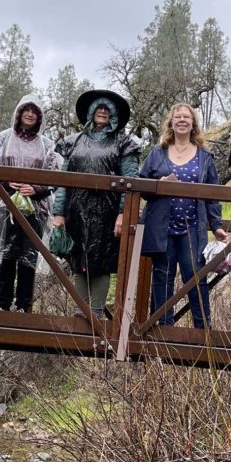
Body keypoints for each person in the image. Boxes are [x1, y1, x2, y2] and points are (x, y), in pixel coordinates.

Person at [51, 89, 141, 318]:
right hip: (76, 210)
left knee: (102, 263)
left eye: (107, 108)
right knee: (78, 259)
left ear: (113, 114)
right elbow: (63, 180)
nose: (102, 111)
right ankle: (80, 315)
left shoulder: (124, 144)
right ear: (91, 112)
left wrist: (123, 213)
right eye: (98, 107)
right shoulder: (73, 142)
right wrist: (59, 213)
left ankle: (96, 314)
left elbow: (130, 182)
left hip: (108, 214)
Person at [138, 103, 227, 329]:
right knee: (162, 276)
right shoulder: (157, 153)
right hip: (162, 227)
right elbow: (141, 185)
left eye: (186, 117)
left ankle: (202, 331)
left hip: (193, 227)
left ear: (193, 124)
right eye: (177, 117)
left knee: (196, 277)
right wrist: (158, 185)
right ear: (171, 123)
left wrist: (216, 225)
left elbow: (213, 193)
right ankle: (164, 330)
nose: (182, 120)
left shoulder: (205, 157)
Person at [0, 94, 60, 312]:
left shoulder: (47, 145)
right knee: (6, 255)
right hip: (5, 207)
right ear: (19, 113)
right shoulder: (3, 139)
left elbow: (57, 174)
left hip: (36, 210)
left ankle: (23, 305)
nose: (30, 114)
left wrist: (36, 188)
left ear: (39, 117)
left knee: (28, 258)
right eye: (26, 110)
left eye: (35, 111)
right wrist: (6, 180)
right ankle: (3, 303)